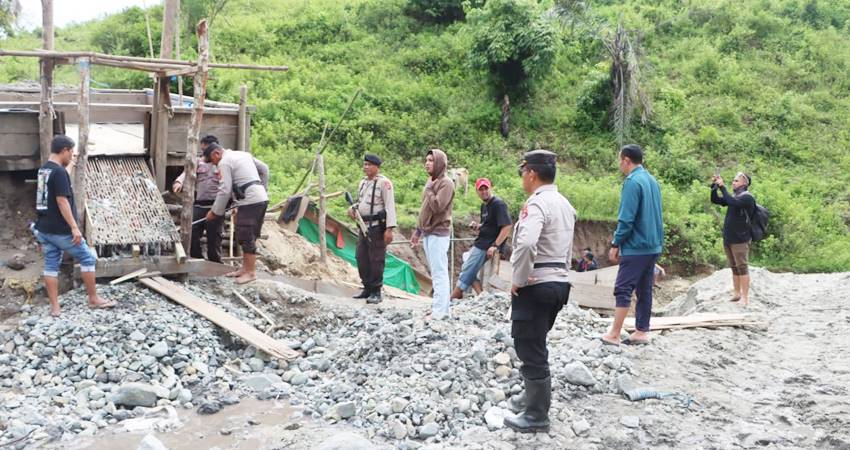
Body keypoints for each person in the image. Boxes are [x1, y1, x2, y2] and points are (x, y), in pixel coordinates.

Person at [504, 150, 576, 433]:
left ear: (532, 173)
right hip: (558, 282)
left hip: (537, 283)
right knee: (537, 342)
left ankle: (536, 415)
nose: (522, 177)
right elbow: (568, 247)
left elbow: (526, 244)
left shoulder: (536, 205)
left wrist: (518, 279)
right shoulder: (564, 203)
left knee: (529, 347)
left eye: (523, 172)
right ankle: (530, 398)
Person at [33, 135, 115, 317]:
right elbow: (62, 201)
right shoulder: (59, 173)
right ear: (64, 150)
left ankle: (55, 308)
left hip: (44, 228)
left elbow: (59, 181)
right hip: (61, 230)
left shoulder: (44, 170)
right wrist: (74, 227)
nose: (72, 154)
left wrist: (71, 164)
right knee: (87, 258)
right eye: (71, 152)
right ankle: (93, 299)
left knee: (51, 265)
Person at [601, 144, 663, 346]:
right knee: (644, 288)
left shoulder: (632, 182)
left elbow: (627, 218)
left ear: (626, 160)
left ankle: (615, 333)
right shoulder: (651, 180)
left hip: (636, 245)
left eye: (620, 160)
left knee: (623, 287)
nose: (619, 164)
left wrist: (616, 242)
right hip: (653, 244)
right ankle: (641, 331)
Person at [204, 143, 269, 284]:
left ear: (216, 153)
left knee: (247, 235)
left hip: (250, 201)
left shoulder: (224, 162)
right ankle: (245, 269)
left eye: (213, 161)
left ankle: (251, 273)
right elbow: (264, 169)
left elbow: (225, 189)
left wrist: (215, 212)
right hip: (259, 199)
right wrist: (261, 190)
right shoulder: (242, 154)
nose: (214, 165)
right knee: (247, 234)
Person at [410, 149, 454, 321]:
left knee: (439, 272)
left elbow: (437, 206)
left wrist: (429, 190)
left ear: (440, 163)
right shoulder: (432, 181)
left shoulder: (446, 183)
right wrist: (418, 230)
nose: (427, 163)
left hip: (438, 232)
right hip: (428, 231)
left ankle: (441, 311)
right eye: (426, 160)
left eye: (431, 160)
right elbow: (425, 209)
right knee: (435, 272)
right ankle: (439, 308)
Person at [450, 177, 512, 300]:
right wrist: (478, 226)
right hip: (480, 242)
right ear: (477, 192)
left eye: (486, 188)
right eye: (481, 190)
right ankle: (481, 295)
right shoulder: (484, 206)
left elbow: (507, 226)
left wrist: (495, 245)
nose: (484, 192)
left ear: (490, 188)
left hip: (486, 245)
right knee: (467, 266)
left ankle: (453, 297)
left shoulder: (498, 204)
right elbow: (488, 224)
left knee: (467, 269)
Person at [349, 154, 397, 304]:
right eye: (364, 164)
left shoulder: (384, 183)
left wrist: (389, 229)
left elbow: (390, 206)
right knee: (361, 257)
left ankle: (376, 290)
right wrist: (353, 209)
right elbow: (360, 201)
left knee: (376, 259)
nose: (366, 167)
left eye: (369, 164)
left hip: (377, 227)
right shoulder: (363, 183)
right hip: (363, 226)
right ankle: (367, 287)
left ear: (377, 167)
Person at [173, 135, 224, 263]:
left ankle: (215, 263)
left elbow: (229, 184)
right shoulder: (197, 162)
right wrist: (179, 182)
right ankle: (197, 259)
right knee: (194, 231)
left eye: (206, 149)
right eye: (203, 149)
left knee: (214, 235)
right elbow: (186, 173)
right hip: (199, 205)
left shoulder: (222, 164)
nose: (204, 152)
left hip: (216, 205)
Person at [711, 172, 756, 305]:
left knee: (742, 267)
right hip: (729, 238)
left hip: (740, 239)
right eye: (733, 180)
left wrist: (723, 187)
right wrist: (714, 187)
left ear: (744, 183)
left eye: (736, 181)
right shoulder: (735, 196)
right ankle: (736, 294)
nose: (733, 182)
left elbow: (732, 202)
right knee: (734, 267)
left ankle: (745, 297)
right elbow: (716, 200)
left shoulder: (747, 198)